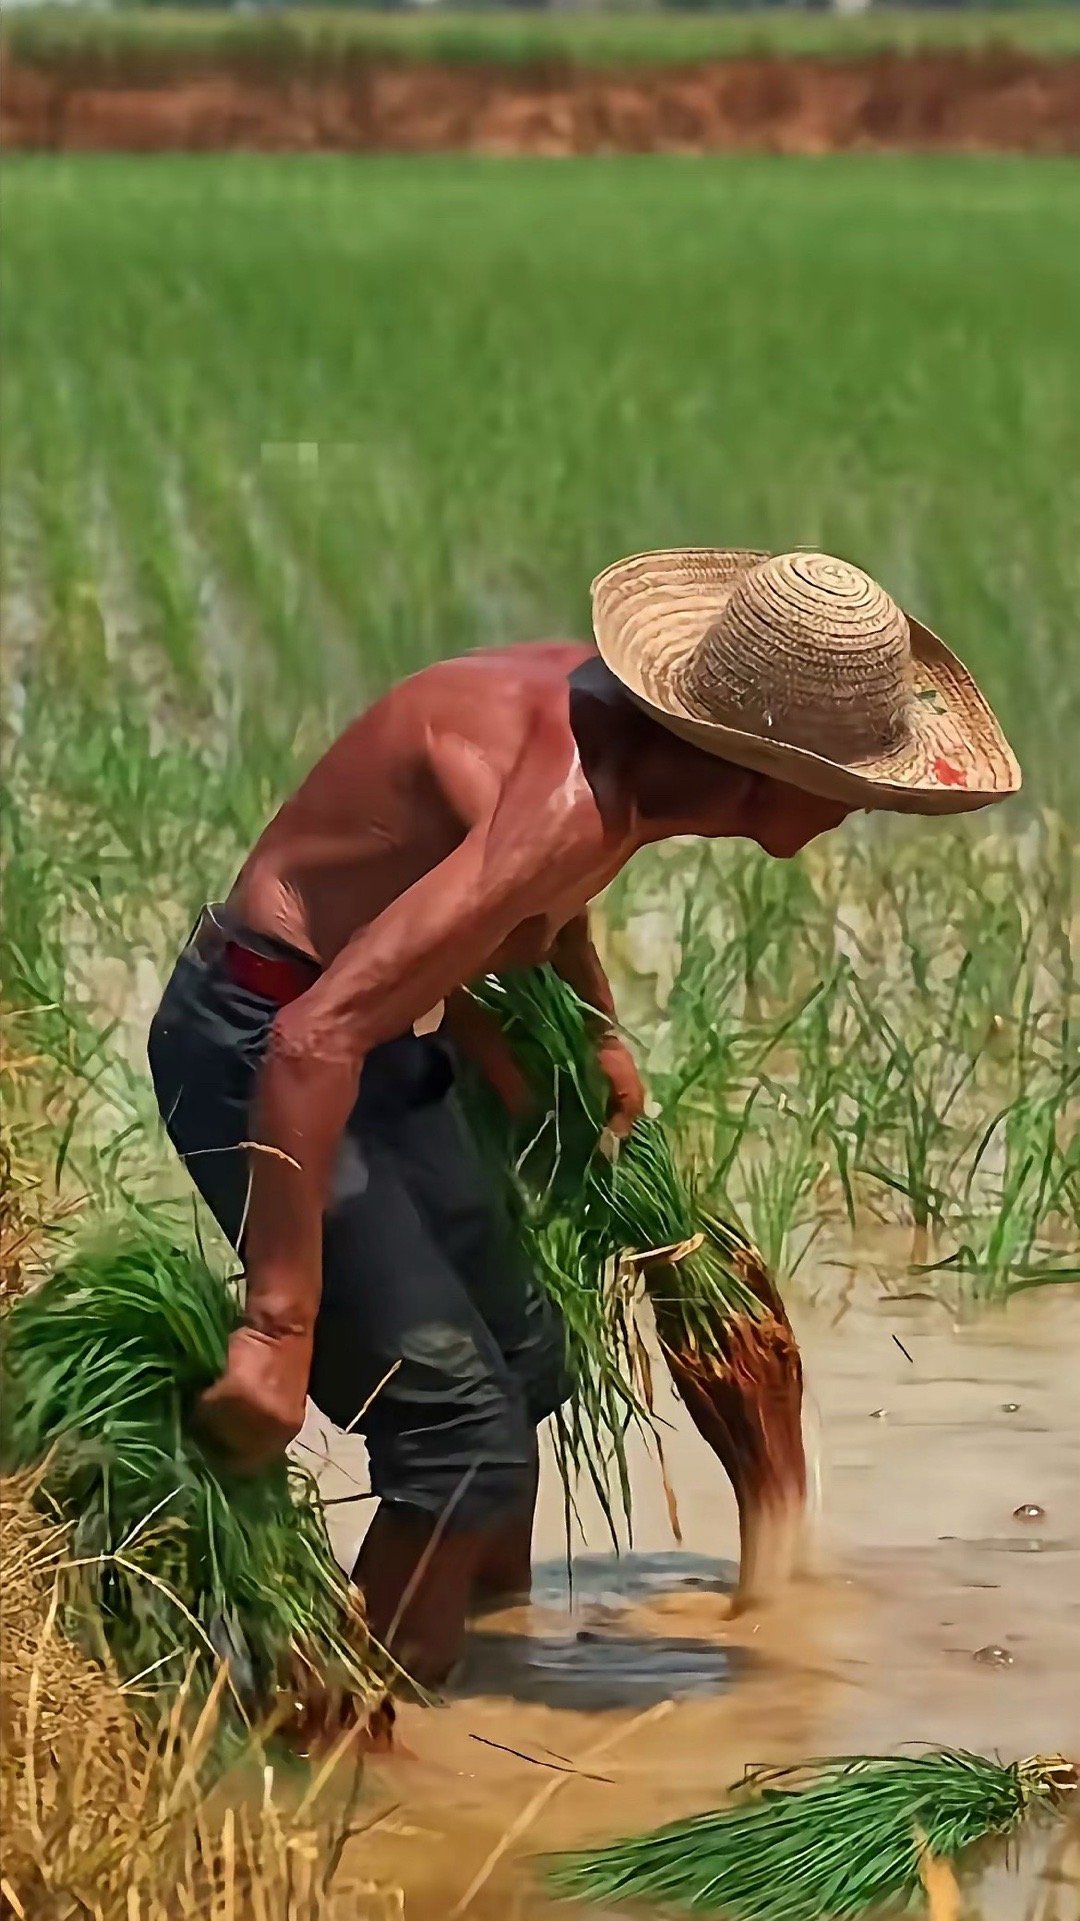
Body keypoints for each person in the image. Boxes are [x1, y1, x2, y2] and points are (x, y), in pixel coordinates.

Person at [148, 548, 1018, 1688]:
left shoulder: (626, 757)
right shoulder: (574, 805)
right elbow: (317, 1035)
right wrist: (277, 1329)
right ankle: (364, 1725)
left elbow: (525, 896)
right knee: (463, 1441)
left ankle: (483, 1657)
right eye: (853, 781)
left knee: (532, 1361)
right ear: (767, 776)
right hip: (263, 1042)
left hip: (380, 1045)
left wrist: (596, 1026)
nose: (860, 805)